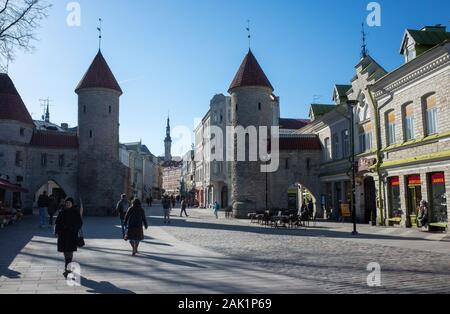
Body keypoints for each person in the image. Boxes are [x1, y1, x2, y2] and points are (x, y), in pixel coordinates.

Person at [54, 197, 83, 278]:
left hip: (72, 235)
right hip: (63, 235)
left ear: (72, 204)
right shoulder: (62, 212)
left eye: (69, 203)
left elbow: (80, 223)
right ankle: (68, 267)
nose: (68, 204)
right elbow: (57, 223)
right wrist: (56, 232)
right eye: (67, 203)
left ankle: (68, 269)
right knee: (65, 251)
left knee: (69, 252)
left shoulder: (75, 212)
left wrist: (73, 228)